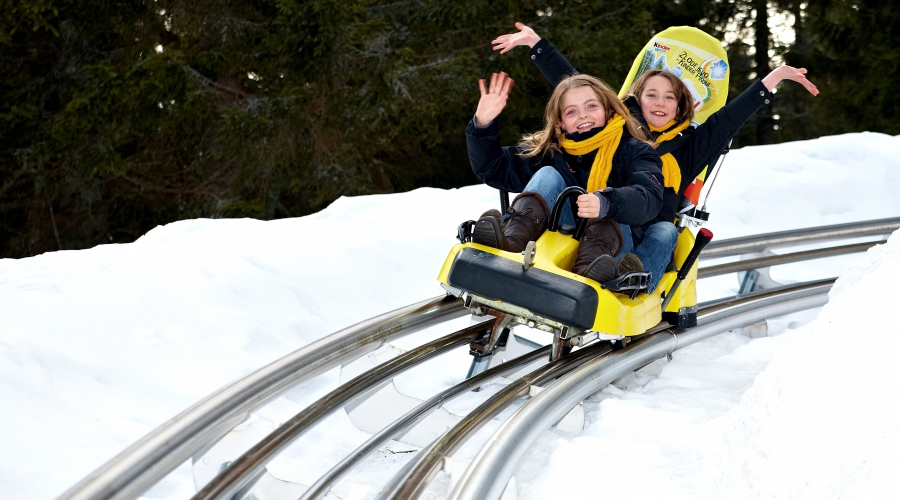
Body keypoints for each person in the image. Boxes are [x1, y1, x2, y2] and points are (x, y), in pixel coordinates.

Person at [491, 23, 819, 293]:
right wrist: (537, 45)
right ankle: (514, 240)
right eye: (652, 95)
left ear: (680, 107)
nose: (660, 103)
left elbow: (727, 121)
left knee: (666, 232)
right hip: (596, 219)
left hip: (640, 230)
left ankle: (633, 281)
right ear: (638, 99)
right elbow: (574, 87)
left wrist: (773, 79)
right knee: (578, 187)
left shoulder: (689, 146)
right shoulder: (617, 124)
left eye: (670, 98)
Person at [467, 71, 663, 284]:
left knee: (611, 203)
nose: (583, 116)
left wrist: (606, 203)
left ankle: (592, 269)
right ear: (560, 123)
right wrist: (483, 125)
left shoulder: (635, 151)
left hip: (612, 247)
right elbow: (494, 168)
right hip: (559, 236)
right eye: (572, 112)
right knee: (547, 175)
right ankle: (512, 244)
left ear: (608, 110)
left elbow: (649, 196)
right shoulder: (552, 153)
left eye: (591, 106)